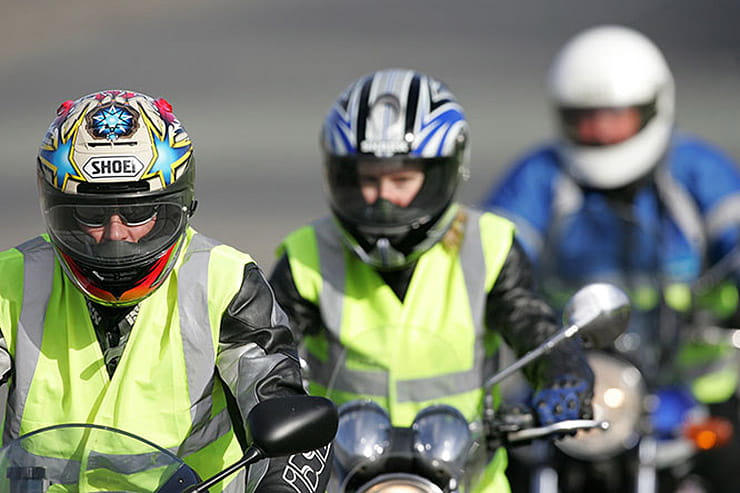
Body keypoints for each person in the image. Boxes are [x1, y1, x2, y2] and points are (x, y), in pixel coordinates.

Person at [269, 68, 595, 492]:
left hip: (472, 480)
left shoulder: (489, 244)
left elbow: (531, 323)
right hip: (346, 478)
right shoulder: (307, 252)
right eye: (367, 179)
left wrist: (563, 373)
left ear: (444, 171)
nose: (382, 197)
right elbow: (268, 352)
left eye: (401, 179)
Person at [0, 90, 331, 493]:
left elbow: (280, 403)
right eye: (90, 214)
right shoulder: (10, 281)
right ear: (55, 205)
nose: (116, 235)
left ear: (177, 204)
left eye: (138, 212)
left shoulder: (225, 281)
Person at [481, 25, 740, 492]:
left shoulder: (697, 170)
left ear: (652, 108)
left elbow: (736, 231)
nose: (599, 130)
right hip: (568, 378)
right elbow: (492, 249)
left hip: (688, 381)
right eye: (585, 116)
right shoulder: (540, 177)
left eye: (614, 115)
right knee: (497, 465)